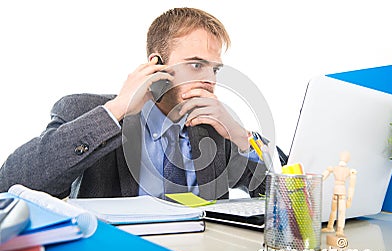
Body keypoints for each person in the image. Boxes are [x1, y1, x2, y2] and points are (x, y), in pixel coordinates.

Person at [0, 7, 271, 200]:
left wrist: (241, 136)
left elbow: (279, 195)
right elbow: (11, 183)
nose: (209, 80)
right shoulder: (83, 111)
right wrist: (116, 111)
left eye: (215, 69)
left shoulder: (214, 127)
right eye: (196, 65)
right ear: (157, 65)